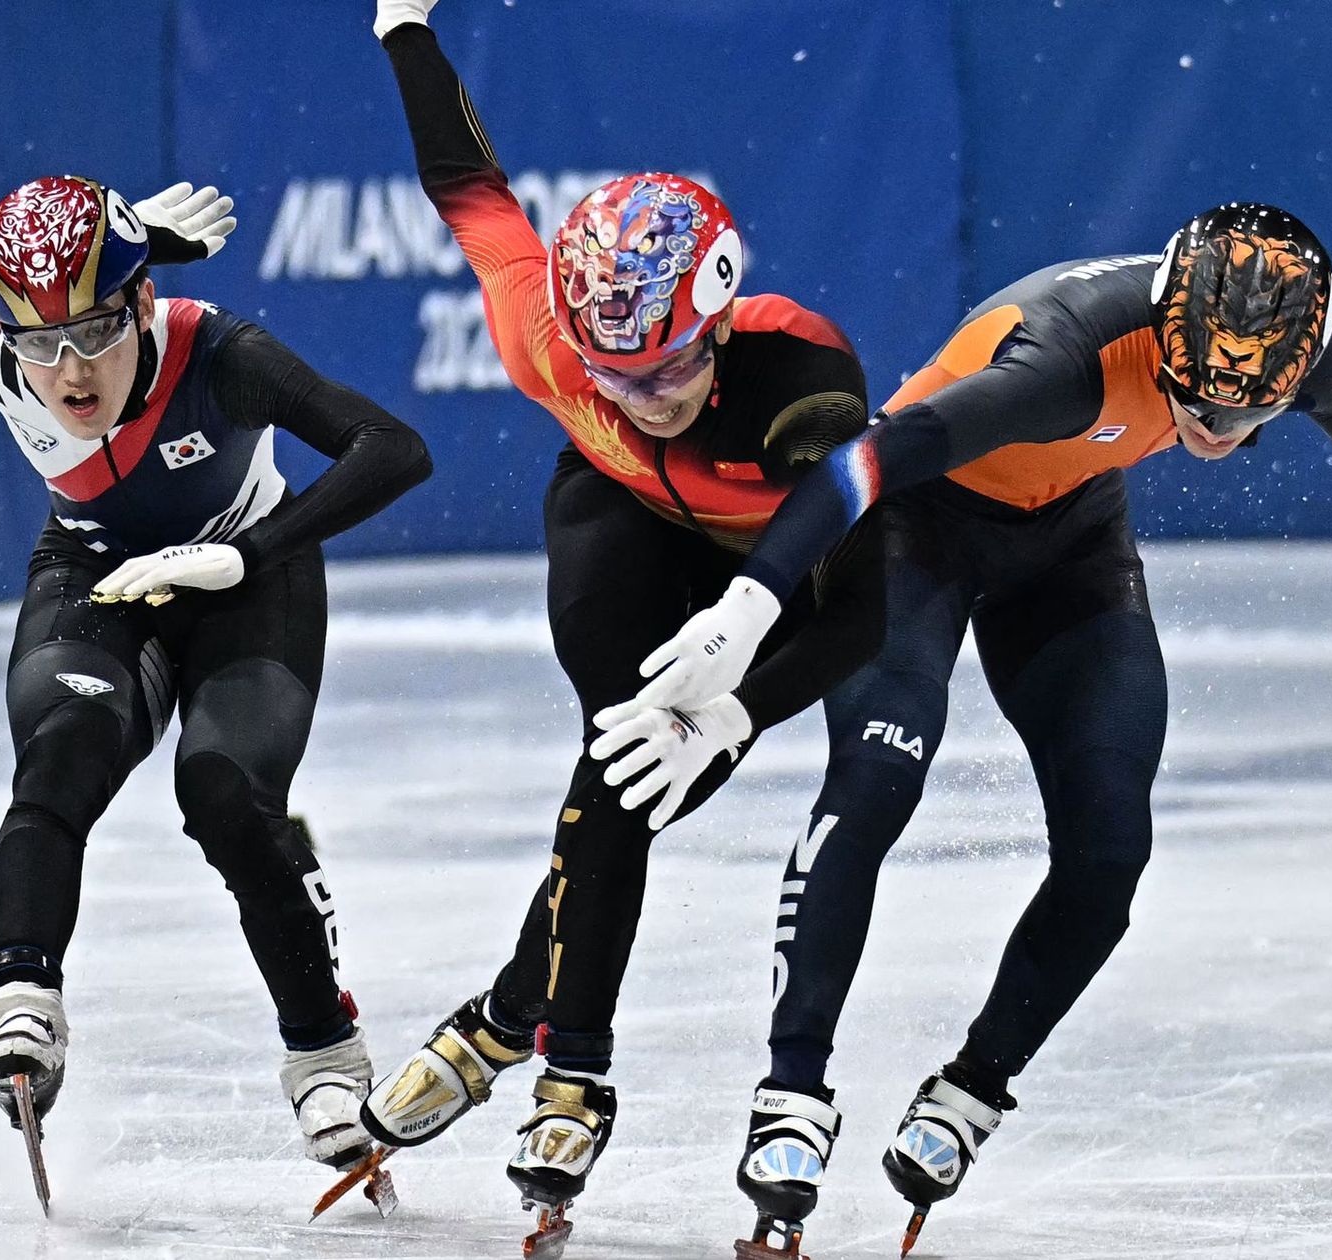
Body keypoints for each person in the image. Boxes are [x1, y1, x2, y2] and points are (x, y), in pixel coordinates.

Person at [602, 202, 1332, 1247]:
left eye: (1246, 413)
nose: (1213, 428)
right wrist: (752, 604)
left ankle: (974, 1087)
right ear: (1166, 338)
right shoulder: (1061, 361)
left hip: (1068, 535)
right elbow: (867, 460)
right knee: (879, 777)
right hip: (916, 529)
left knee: (1111, 841)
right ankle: (791, 1090)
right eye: (1195, 399)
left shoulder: (1307, 356)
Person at [357, 0, 894, 1237]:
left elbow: (860, 611)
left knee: (654, 772)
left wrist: (744, 708)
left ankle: (509, 1014)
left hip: (772, 567)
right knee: (622, 761)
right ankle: (574, 1070)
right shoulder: (552, 333)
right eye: (615, 377)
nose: (643, 397)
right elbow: (468, 187)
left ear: (714, 331)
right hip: (618, 528)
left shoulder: (799, 378)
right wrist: (405, 29)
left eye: (666, 371)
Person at [0, 174, 432, 1179]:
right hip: (96, 569)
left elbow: (394, 449)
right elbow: (32, 308)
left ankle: (324, 1051)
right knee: (63, 750)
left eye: (94, 332)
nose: (67, 371)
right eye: (40, 345)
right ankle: (22, 992)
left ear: (139, 302)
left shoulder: (223, 356)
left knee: (226, 796)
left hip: (245, 578)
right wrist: (131, 246)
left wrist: (251, 554)